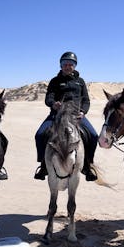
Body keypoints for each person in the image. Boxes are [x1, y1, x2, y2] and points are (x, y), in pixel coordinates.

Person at [34, 51, 98, 181]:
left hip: (76, 115)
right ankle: (43, 165)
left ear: (75, 65)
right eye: (65, 64)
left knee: (93, 135)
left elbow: (86, 100)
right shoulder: (55, 81)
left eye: (71, 64)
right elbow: (48, 98)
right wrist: (53, 104)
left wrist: (83, 112)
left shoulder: (80, 82)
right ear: (61, 65)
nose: (68, 66)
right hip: (57, 115)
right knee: (40, 134)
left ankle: (88, 165)